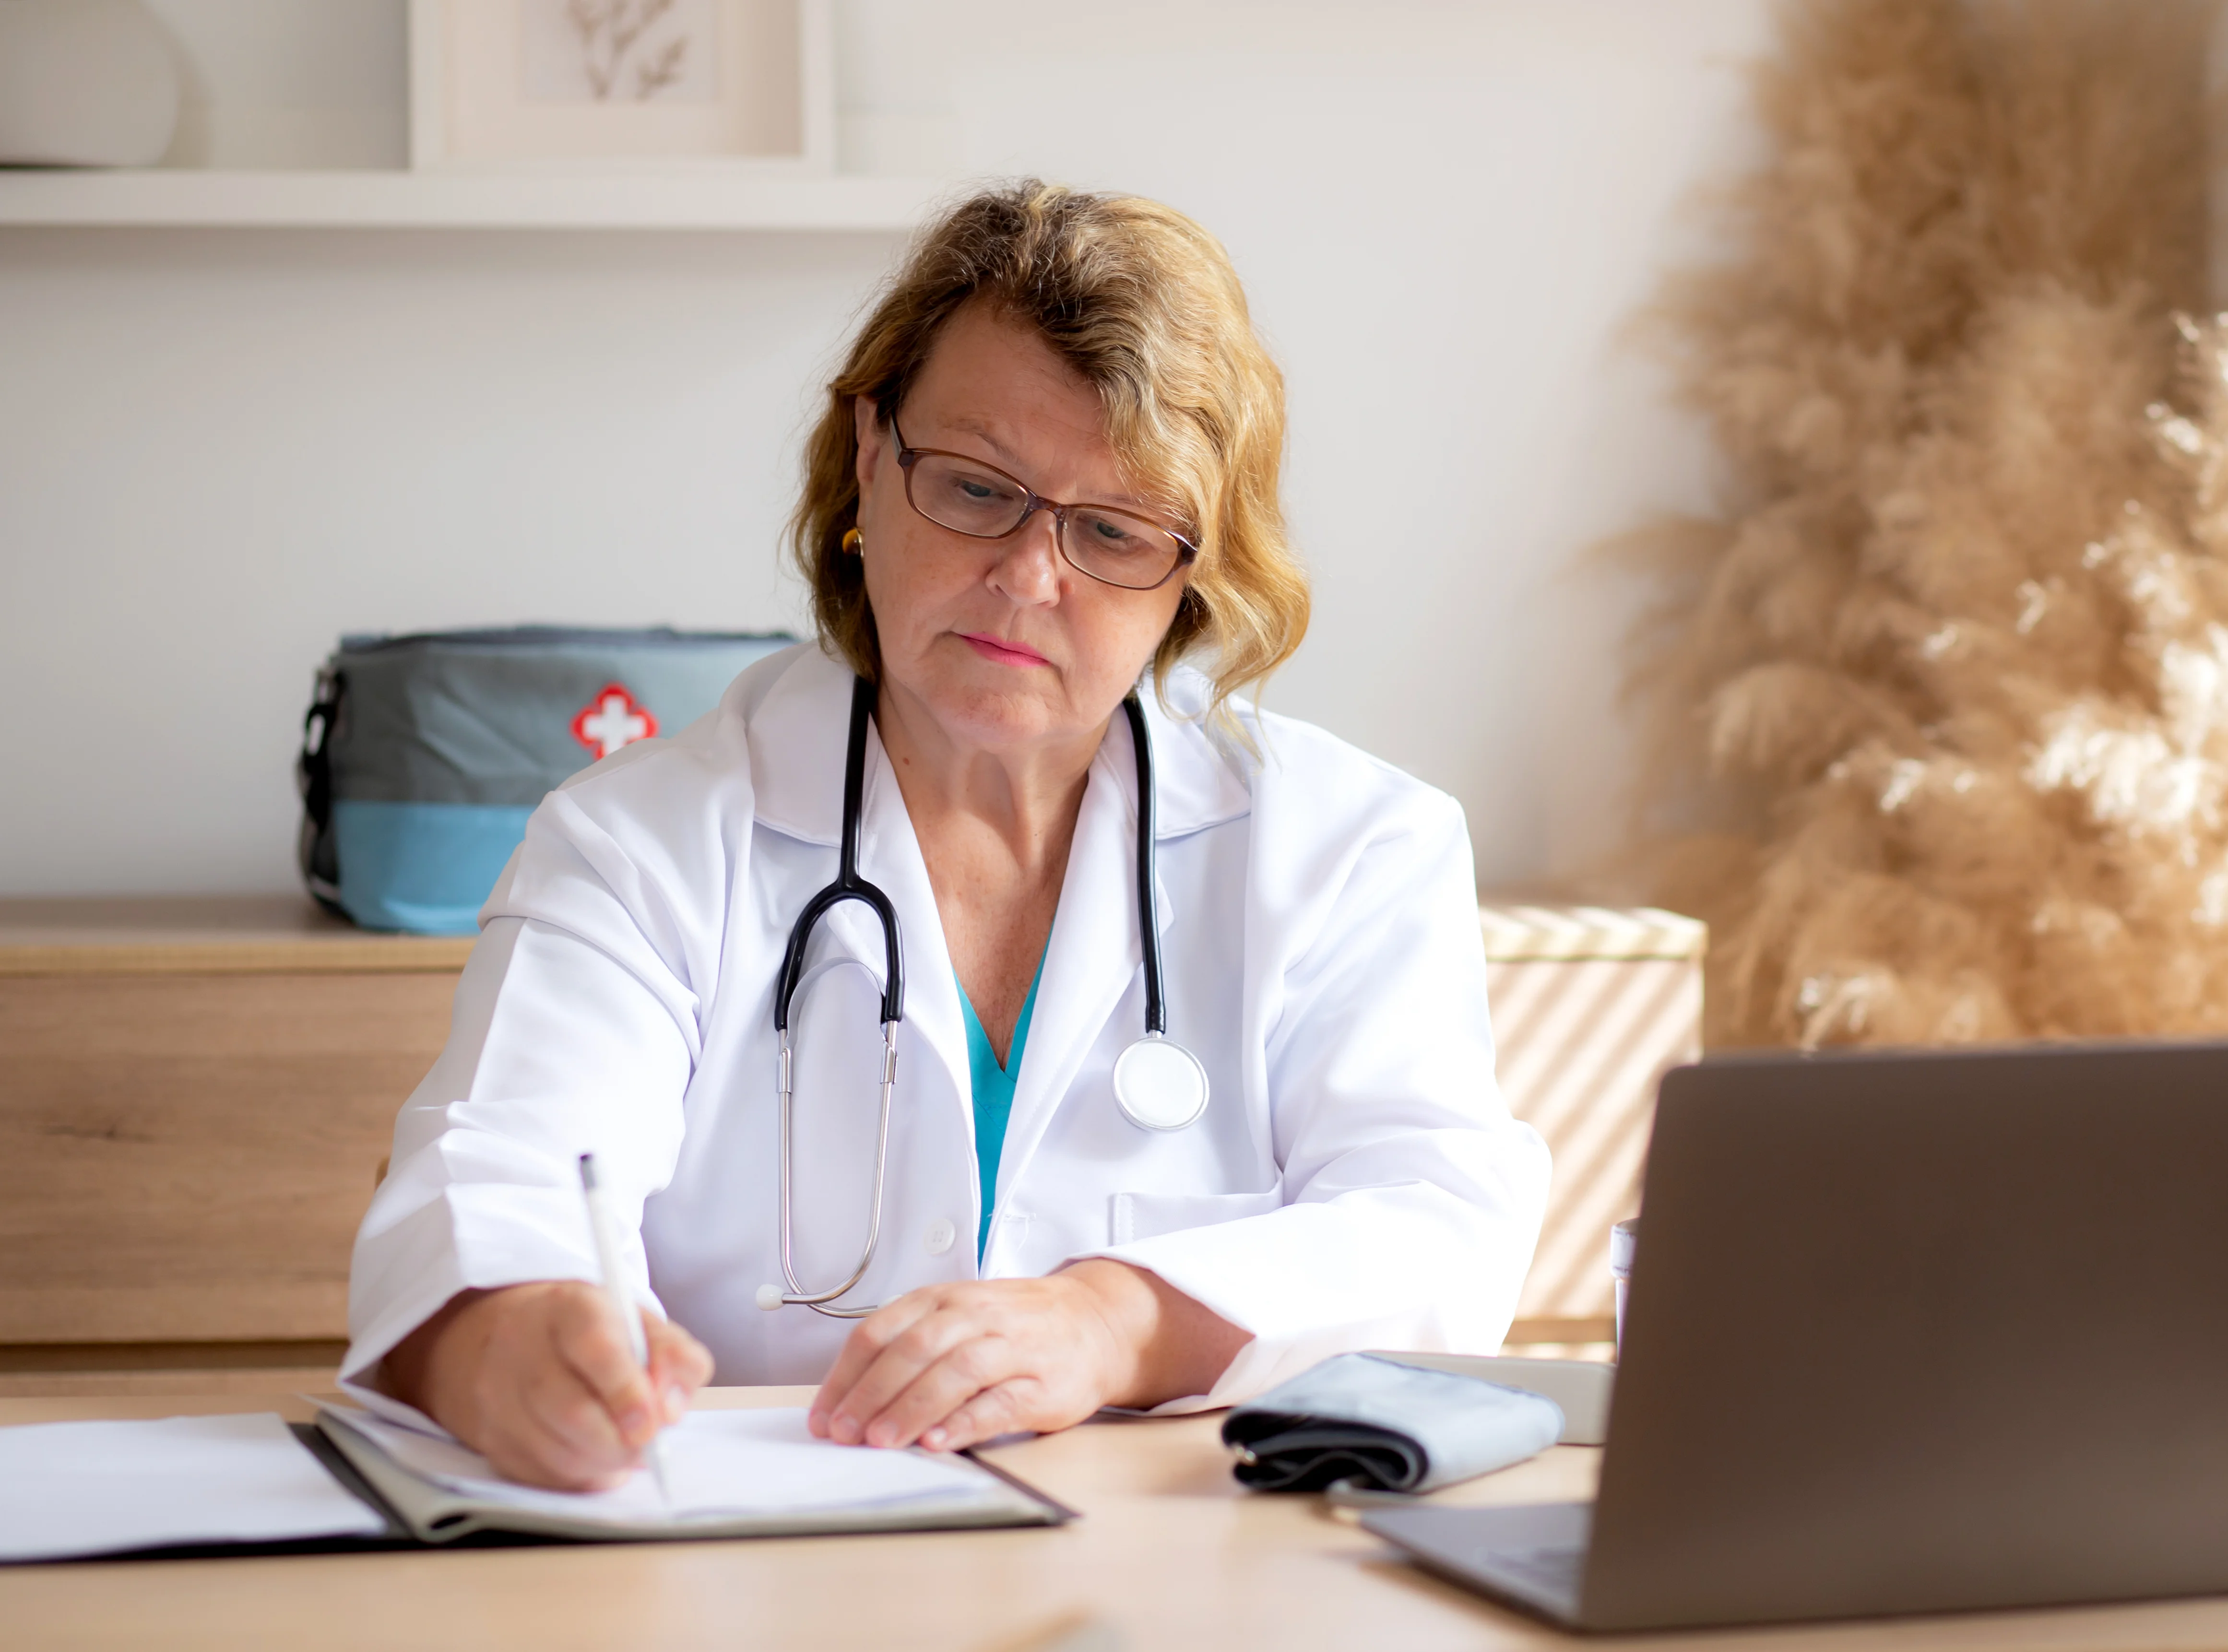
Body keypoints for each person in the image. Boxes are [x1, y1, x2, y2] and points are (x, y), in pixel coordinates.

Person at [344, 180, 1550, 1491]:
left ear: (1194, 568)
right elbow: (492, 1182)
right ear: (869, 454)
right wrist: (510, 1344)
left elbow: (1441, 1226)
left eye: (1111, 530)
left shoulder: (1349, 851)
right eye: (977, 488)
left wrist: (1115, 1318)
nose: (1030, 578)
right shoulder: (640, 847)